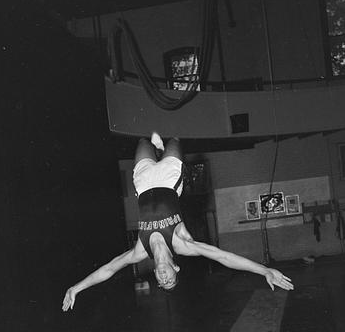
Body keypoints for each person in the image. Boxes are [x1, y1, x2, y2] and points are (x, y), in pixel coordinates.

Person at [62, 133, 293, 311]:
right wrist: (264, 271)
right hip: (169, 179)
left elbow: (109, 269)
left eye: (161, 282)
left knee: (142, 140)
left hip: (143, 184)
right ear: (176, 268)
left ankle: (154, 146)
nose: (163, 279)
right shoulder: (183, 244)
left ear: (155, 274)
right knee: (174, 139)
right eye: (170, 280)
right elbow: (224, 257)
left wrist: (76, 287)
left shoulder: (140, 251)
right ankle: (163, 147)